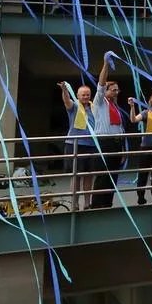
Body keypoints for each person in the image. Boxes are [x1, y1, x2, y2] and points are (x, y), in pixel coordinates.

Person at [89, 52, 127, 209]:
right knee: (103, 176)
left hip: (116, 143)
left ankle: (107, 204)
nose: (116, 92)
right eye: (113, 90)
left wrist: (123, 149)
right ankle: (97, 206)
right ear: (106, 91)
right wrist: (105, 64)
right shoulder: (100, 102)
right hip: (104, 142)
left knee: (113, 176)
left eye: (117, 90)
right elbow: (101, 83)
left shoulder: (115, 107)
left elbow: (120, 128)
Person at [59, 80, 95, 210]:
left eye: (87, 94)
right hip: (75, 144)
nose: (85, 97)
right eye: (83, 95)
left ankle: (87, 203)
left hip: (91, 145)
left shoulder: (94, 107)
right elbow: (66, 101)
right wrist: (64, 90)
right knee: (76, 175)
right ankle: (74, 203)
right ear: (78, 96)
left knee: (89, 175)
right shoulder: (74, 106)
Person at [128, 92, 152, 205]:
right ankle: (141, 197)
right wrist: (132, 107)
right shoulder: (146, 113)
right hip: (147, 147)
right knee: (143, 174)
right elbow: (133, 120)